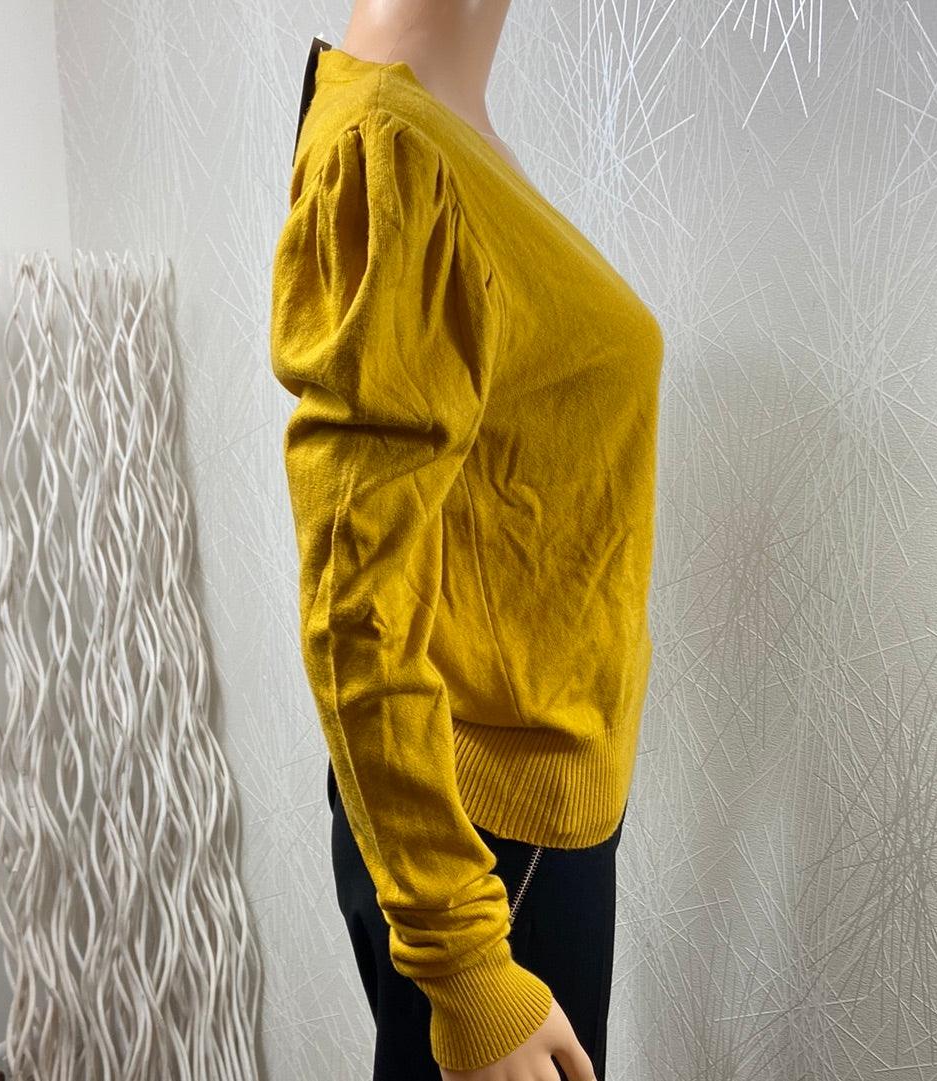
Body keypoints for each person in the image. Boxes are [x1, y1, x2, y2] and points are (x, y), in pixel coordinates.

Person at [269, 2, 664, 1078]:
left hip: (527, 823)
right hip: (486, 848)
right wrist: (466, 962)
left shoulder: (443, 128)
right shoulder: (391, 149)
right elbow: (353, 604)